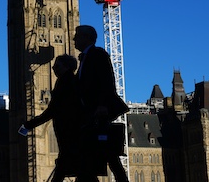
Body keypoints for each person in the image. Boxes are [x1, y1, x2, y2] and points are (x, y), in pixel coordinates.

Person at [74, 25, 130, 182]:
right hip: (90, 113)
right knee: (99, 154)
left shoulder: (98, 54)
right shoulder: (85, 59)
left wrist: (102, 105)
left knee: (107, 153)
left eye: (77, 36)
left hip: (98, 113)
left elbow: (107, 81)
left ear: (87, 38)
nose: (74, 39)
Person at [19, 54, 82, 182]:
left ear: (66, 67)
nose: (53, 68)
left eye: (57, 66)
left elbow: (52, 110)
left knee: (64, 166)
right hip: (72, 132)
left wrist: (29, 125)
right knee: (76, 168)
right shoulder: (72, 80)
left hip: (68, 131)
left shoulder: (65, 82)